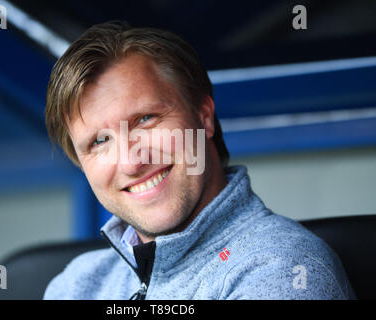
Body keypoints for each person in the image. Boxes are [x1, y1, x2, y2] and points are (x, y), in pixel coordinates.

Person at [43, 21, 355, 300]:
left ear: (203, 116)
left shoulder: (283, 269)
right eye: (99, 141)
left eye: (146, 119)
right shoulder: (75, 285)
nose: (130, 163)